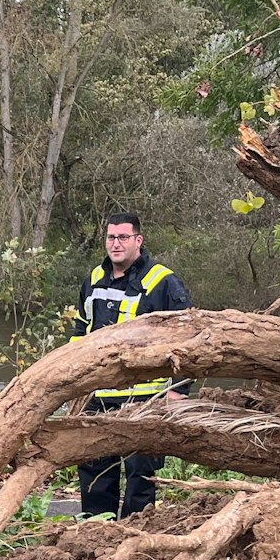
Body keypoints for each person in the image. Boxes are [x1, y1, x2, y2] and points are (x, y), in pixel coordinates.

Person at [66, 213, 193, 519]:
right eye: (111, 237)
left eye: (123, 237)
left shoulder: (163, 282)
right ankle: (96, 532)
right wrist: (73, 383)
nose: (116, 244)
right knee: (94, 470)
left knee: (141, 475)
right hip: (97, 397)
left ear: (138, 240)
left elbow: (189, 340)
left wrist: (178, 392)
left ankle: (137, 533)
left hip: (145, 399)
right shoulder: (93, 280)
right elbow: (79, 333)